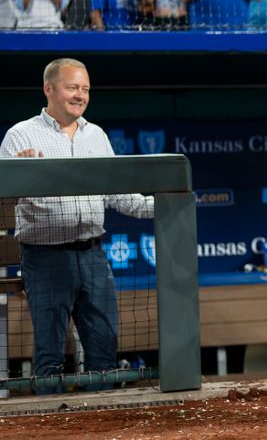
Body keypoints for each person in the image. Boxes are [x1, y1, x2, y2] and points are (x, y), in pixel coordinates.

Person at [0, 58, 154, 394]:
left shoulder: (96, 135)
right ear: (49, 89)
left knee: (104, 343)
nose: (80, 95)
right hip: (45, 258)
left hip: (93, 255)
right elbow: (4, 203)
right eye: (72, 87)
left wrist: (166, 206)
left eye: (85, 89)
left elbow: (119, 194)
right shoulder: (20, 136)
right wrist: (18, 180)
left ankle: (100, 420)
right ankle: (49, 424)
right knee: (50, 350)